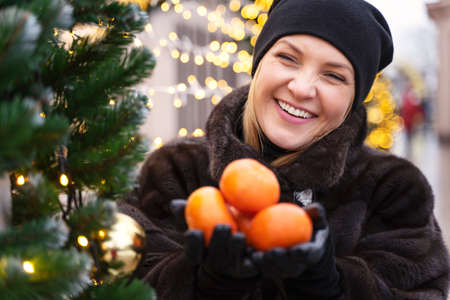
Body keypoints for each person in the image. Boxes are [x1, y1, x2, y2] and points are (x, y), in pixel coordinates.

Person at [119, 0, 450, 299]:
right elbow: (117, 284)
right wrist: (200, 282)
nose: (302, 88)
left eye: (333, 76)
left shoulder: (392, 189)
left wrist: (336, 287)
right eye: (288, 58)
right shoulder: (176, 169)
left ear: (353, 100)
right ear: (260, 63)